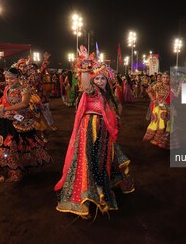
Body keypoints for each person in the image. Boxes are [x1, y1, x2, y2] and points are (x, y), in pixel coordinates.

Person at [54, 46, 134, 219]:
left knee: (102, 163)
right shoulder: (92, 92)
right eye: (96, 78)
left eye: (102, 79)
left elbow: (116, 116)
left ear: (107, 81)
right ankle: (84, 199)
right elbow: (86, 85)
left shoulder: (109, 97)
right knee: (86, 163)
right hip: (88, 132)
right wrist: (84, 65)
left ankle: (100, 191)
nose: (99, 81)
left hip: (104, 134)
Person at [0, 67, 53, 182]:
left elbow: (24, 104)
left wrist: (6, 109)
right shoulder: (7, 88)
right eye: (7, 79)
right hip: (5, 120)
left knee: (16, 147)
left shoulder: (25, 89)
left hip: (20, 121)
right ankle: (6, 172)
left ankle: (17, 172)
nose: (9, 81)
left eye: (11, 79)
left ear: (18, 77)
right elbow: (1, 100)